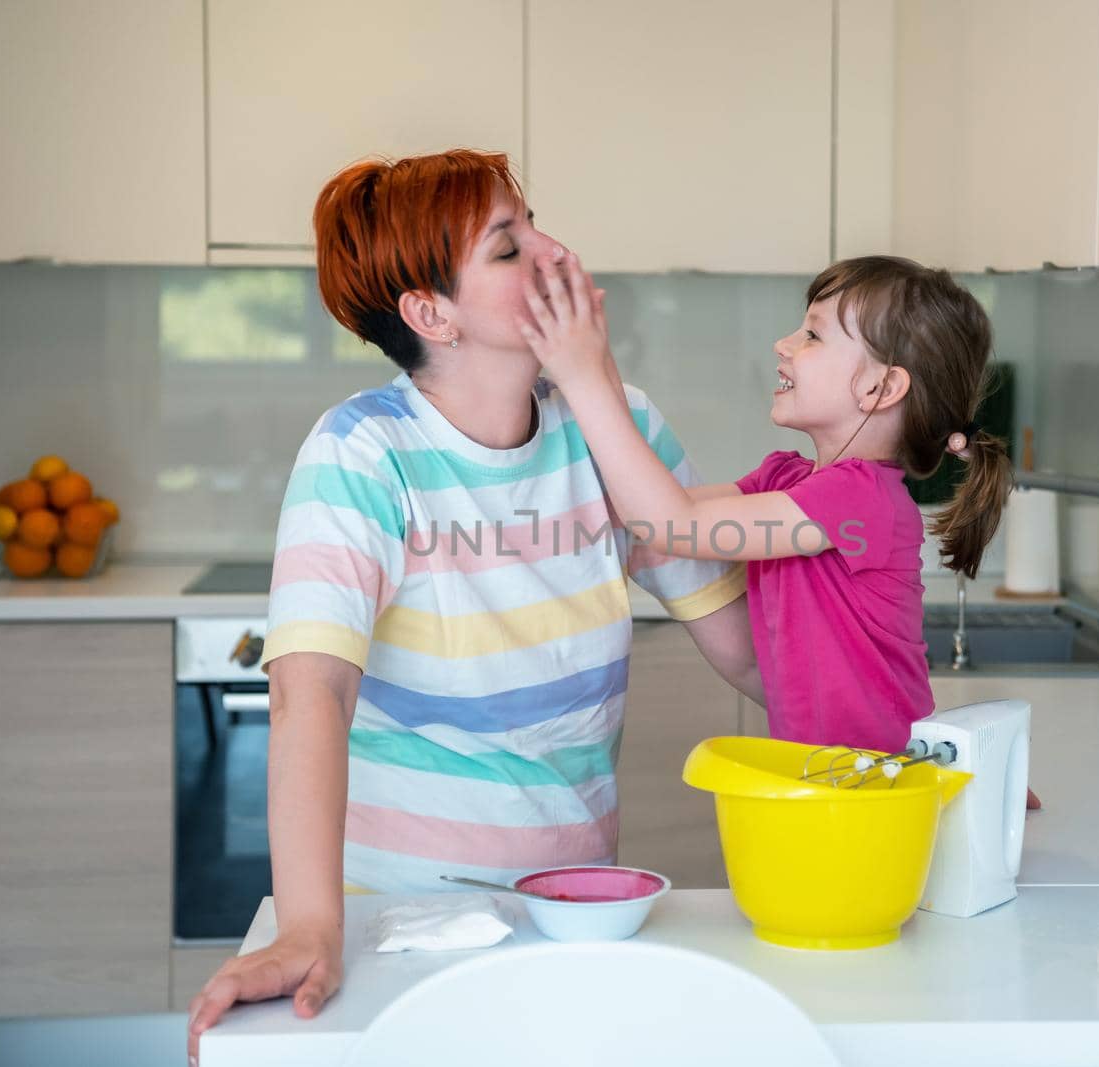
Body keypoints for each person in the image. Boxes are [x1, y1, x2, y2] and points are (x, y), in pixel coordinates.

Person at [186, 149, 754, 1059]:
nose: (553, 250)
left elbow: (749, 651)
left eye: (534, 222)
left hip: (575, 908)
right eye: (507, 246)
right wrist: (308, 927)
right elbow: (310, 695)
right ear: (430, 313)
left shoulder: (615, 427)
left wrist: (910, 747)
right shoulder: (365, 455)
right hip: (403, 925)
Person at [517, 252, 1011, 757]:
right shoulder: (786, 481)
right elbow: (651, 508)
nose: (784, 344)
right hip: (836, 778)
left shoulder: (862, 498)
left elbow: (670, 524)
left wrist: (582, 377)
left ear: (879, 388)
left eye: (813, 335)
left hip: (879, 781)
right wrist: (594, 359)